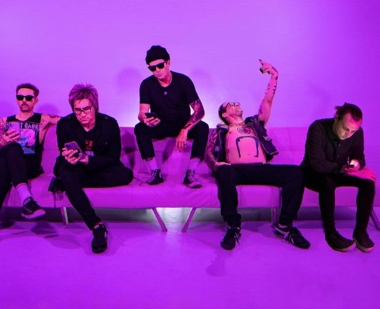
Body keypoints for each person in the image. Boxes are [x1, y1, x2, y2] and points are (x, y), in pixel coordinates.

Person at [205, 60, 310, 250]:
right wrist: (216, 165)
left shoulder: (254, 124)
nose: (236, 104)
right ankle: (233, 226)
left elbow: (267, 103)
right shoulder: (222, 130)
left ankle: (284, 226)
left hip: (261, 169)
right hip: (237, 170)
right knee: (223, 172)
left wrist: (274, 76)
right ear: (224, 114)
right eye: (231, 104)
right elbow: (208, 152)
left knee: (295, 173)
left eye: (236, 103)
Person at [53, 84, 133, 254]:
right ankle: (96, 226)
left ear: (94, 106)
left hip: (99, 167)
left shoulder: (109, 124)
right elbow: (63, 150)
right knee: (66, 171)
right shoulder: (65, 124)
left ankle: (67, 184)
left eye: (86, 109)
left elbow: (113, 158)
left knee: (125, 175)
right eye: (77, 110)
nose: (82, 114)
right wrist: (70, 157)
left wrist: (87, 159)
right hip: (74, 168)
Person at [0, 83, 59, 250]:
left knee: (4, 169)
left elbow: (66, 121)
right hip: (5, 163)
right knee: (11, 150)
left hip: (29, 166)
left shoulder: (42, 120)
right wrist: (2, 142)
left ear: (35, 100)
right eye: (20, 97)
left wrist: (51, 120)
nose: (24, 100)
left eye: (28, 97)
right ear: (16, 99)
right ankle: (27, 200)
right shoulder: (4, 122)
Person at [301, 103, 376, 252]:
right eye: (346, 129)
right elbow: (319, 165)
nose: (348, 134)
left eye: (353, 131)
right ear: (336, 118)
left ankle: (361, 232)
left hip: (338, 172)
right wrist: (346, 170)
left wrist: (356, 165)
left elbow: (359, 157)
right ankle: (331, 234)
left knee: (368, 183)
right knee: (327, 182)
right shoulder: (318, 128)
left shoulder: (357, 133)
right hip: (313, 173)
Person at [134, 45, 209, 188]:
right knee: (140, 128)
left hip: (182, 123)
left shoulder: (183, 81)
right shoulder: (146, 84)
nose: (157, 70)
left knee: (203, 127)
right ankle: (155, 173)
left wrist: (185, 130)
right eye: (152, 68)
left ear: (168, 62)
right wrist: (145, 119)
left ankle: (191, 173)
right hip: (160, 124)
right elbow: (142, 112)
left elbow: (199, 111)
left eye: (160, 66)